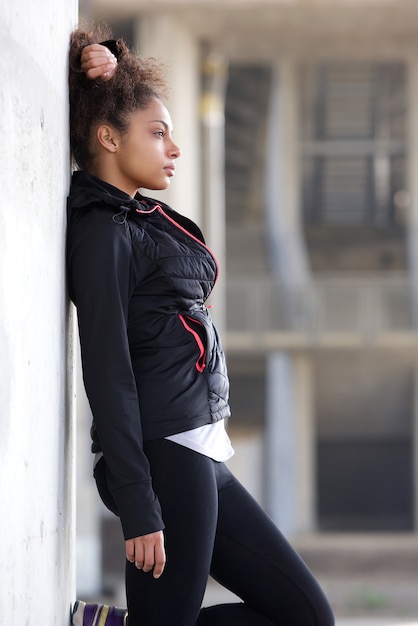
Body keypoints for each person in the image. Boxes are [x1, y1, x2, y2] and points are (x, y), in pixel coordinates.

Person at [68, 25, 335, 626]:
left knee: (308, 618)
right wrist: (139, 505)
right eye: (157, 134)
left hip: (203, 451)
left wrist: (115, 58)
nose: (174, 149)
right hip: (164, 457)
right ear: (108, 138)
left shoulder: (140, 218)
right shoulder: (103, 233)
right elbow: (106, 370)